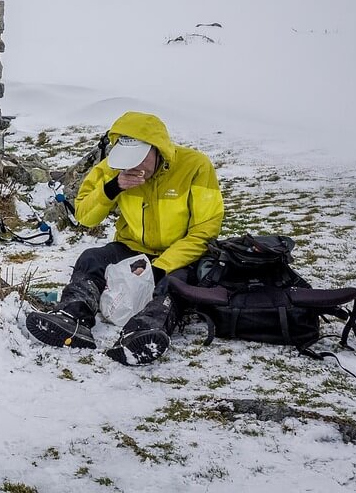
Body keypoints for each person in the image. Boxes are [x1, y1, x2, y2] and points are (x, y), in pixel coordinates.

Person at [25, 111, 224, 365]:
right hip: (131, 247)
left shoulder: (195, 166)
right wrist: (113, 187)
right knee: (91, 259)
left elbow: (205, 230)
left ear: (158, 149)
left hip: (180, 254)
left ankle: (144, 332)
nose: (134, 168)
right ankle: (71, 316)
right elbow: (85, 216)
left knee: (171, 284)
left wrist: (160, 268)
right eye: (128, 161)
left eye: (140, 160)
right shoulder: (113, 168)